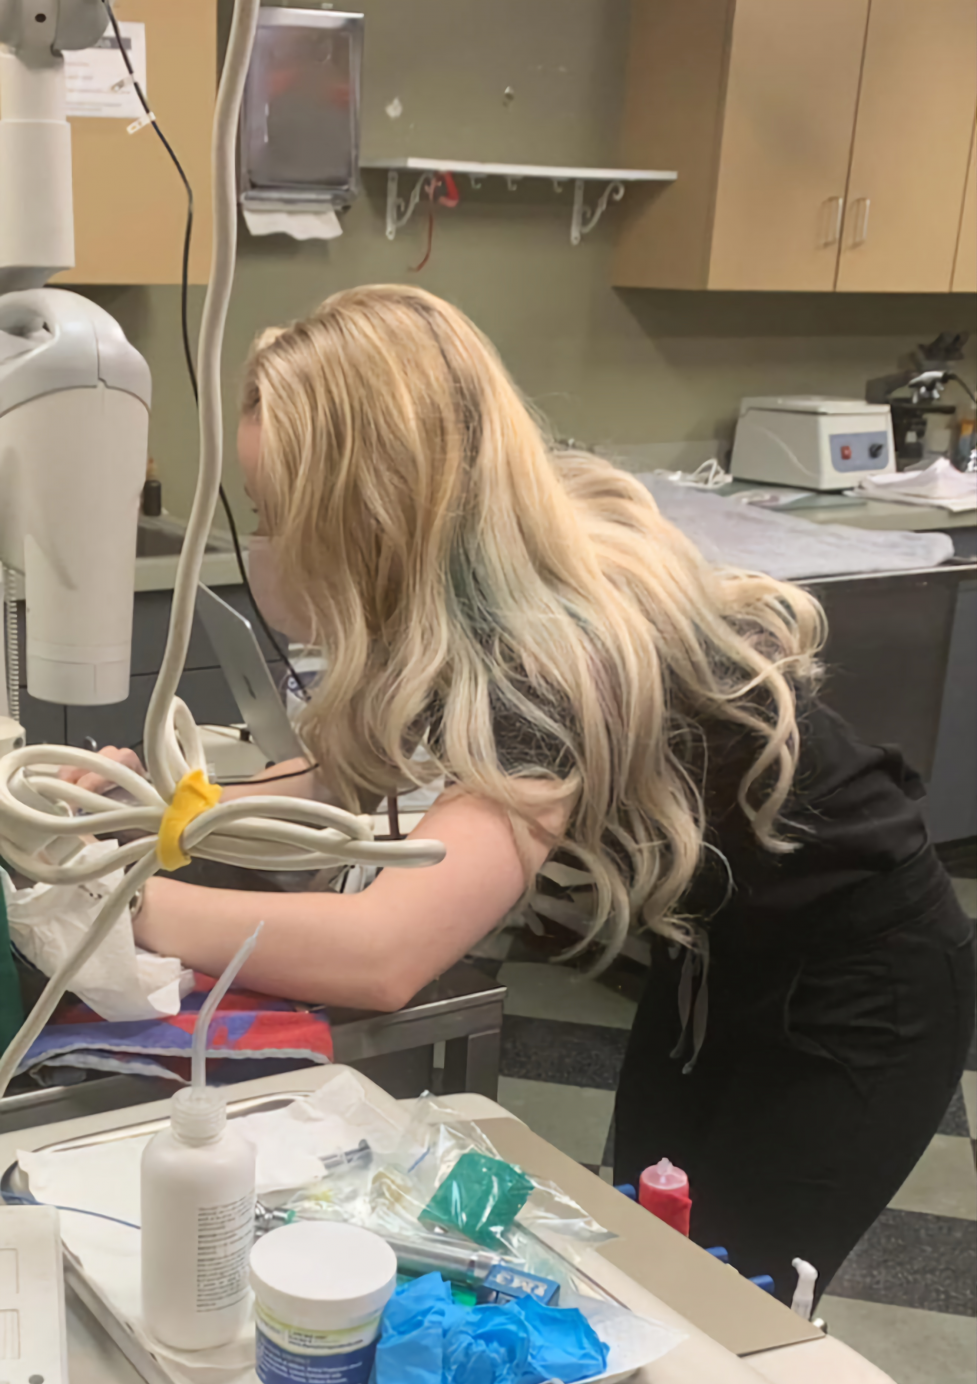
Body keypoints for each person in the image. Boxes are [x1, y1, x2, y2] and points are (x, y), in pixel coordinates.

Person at [70, 286, 975, 1303]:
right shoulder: (463, 593)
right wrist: (142, 812)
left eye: (285, 517)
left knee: (729, 1296)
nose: (272, 544)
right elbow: (342, 773)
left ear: (369, 512)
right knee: (648, 1237)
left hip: (863, 978)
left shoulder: (544, 654)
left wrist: (120, 907)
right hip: (717, 952)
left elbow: (385, 955)